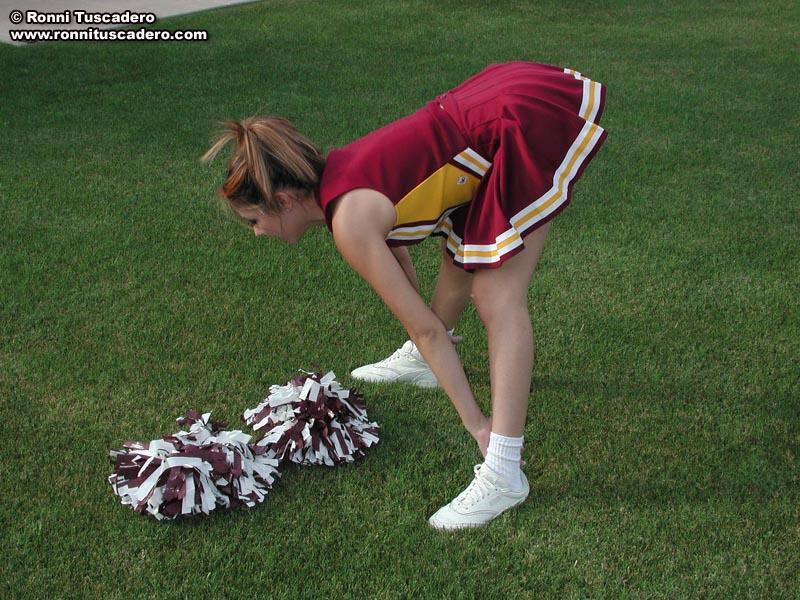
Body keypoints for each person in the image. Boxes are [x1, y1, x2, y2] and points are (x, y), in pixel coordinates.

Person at [201, 61, 607, 530]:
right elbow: (402, 259)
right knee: (463, 251)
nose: (258, 233)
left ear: (286, 201)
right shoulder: (340, 173)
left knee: (499, 299)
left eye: (255, 220)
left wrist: (477, 424)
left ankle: (503, 472)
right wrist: (425, 346)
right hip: (498, 107)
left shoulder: (350, 222)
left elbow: (427, 328)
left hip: (518, 119)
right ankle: (419, 367)